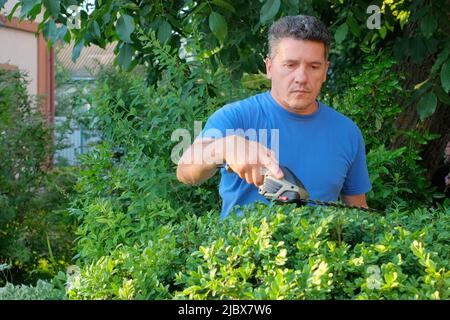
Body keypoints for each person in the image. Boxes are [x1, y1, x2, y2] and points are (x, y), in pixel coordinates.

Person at [176, 15, 372, 219]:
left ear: (325, 71)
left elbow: (359, 213)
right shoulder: (236, 117)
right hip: (244, 249)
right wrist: (224, 146)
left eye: (314, 67)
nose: (302, 78)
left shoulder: (347, 132)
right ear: (269, 68)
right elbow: (185, 172)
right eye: (290, 65)